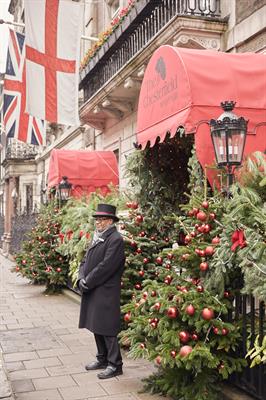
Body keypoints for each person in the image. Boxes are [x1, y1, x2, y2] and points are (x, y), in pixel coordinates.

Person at [77, 203, 125, 379]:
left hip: (106, 290)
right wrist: (81, 277)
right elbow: (85, 259)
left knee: (108, 327)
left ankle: (115, 364)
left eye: (102, 219)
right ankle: (102, 358)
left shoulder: (116, 239)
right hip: (93, 287)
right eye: (96, 219)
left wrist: (88, 281)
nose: (98, 222)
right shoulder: (97, 237)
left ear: (110, 221)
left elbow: (106, 267)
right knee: (96, 324)